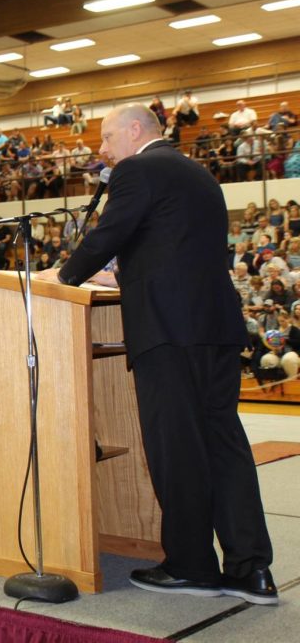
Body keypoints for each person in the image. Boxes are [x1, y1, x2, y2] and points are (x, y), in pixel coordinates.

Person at [36, 102, 275, 604]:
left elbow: (108, 235)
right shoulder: (198, 174)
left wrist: (62, 277)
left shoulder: (138, 170)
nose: (101, 150)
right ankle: (251, 570)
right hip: (215, 328)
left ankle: (191, 566)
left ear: (136, 130)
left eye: (106, 138)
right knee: (225, 446)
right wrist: (121, 275)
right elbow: (173, 248)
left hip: (168, 331)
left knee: (177, 450)